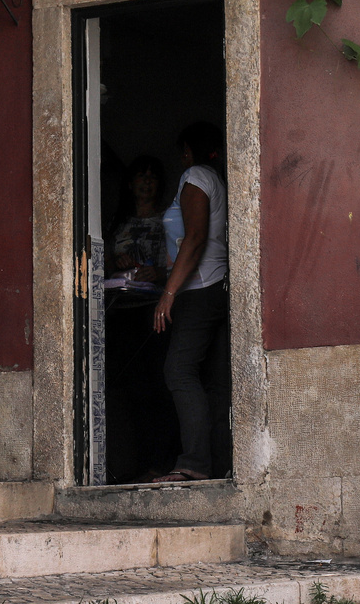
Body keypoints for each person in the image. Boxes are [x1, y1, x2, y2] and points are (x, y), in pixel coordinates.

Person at [152, 121, 232, 481]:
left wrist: (168, 293)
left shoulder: (196, 176)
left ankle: (194, 464)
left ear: (188, 151)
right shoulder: (214, 178)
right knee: (211, 379)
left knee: (178, 371)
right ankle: (215, 464)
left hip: (198, 289)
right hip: (213, 287)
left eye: (182, 150)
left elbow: (195, 238)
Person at [109, 156, 167, 289]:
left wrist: (159, 273)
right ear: (130, 183)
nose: (147, 182)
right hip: (121, 295)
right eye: (141, 176)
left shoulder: (168, 219)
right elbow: (104, 261)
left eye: (153, 177)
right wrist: (117, 262)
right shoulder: (117, 221)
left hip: (157, 297)